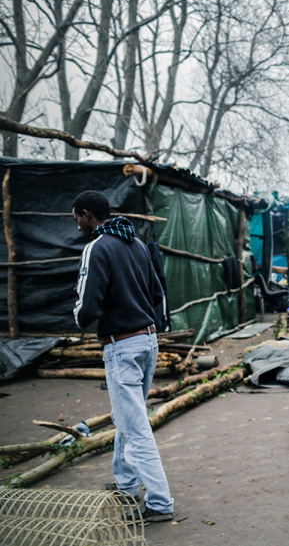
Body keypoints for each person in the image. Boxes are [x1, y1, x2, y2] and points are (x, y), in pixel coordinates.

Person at [72, 191, 174, 523]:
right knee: (126, 418)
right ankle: (126, 486)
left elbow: (87, 306)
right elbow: (158, 292)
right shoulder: (137, 245)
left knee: (135, 425)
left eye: (77, 219)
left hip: (122, 346)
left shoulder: (97, 248)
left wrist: (80, 319)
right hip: (147, 341)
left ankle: (159, 502)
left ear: (87, 215)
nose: (77, 227)